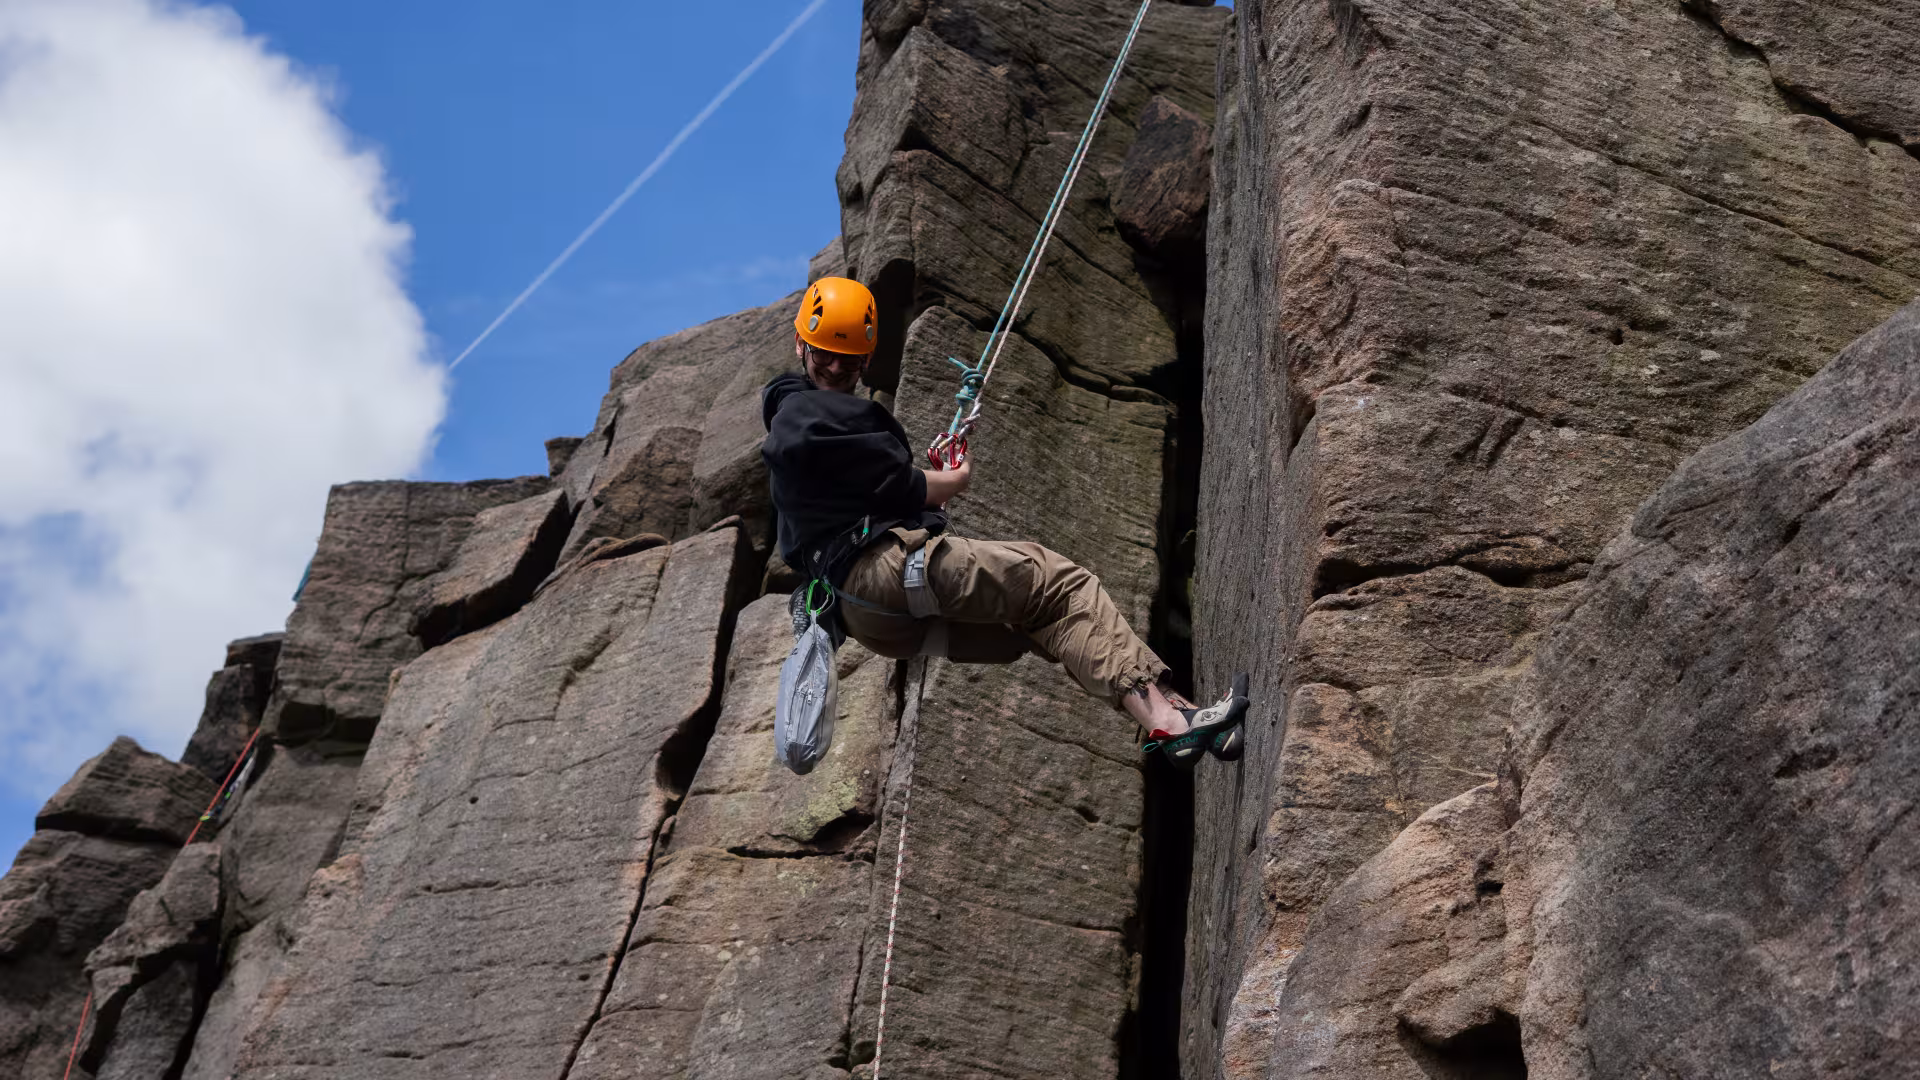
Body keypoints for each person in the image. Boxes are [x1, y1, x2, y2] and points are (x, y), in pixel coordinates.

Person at [760, 277, 1246, 766]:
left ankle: (1180, 718)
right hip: (883, 572)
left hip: (868, 621)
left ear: (865, 361)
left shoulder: (797, 412)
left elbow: (870, 486)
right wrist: (952, 478)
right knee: (1060, 584)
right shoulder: (805, 415)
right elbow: (901, 483)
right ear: (801, 345)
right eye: (826, 354)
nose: (837, 367)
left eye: (848, 359)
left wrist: (916, 499)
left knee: (1043, 623)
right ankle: (1169, 720)